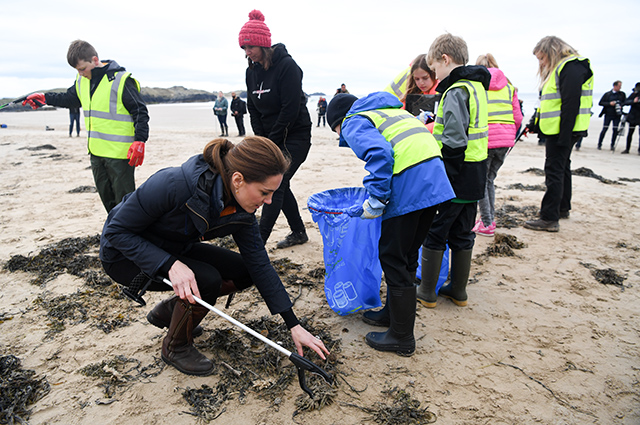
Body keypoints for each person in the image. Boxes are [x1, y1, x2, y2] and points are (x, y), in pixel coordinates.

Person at [99, 136, 330, 376]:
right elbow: (117, 231)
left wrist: (293, 324)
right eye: (265, 192)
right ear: (238, 180)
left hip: (175, 246)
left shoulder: (243, 212)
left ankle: (169, 314)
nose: (269, 201)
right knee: (206, 279)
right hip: (124, 255)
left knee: (244, 271)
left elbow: (260, 265)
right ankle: (175, 347)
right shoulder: (173, 184)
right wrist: (169, 265)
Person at [325, 91, 454, 357]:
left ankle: (401, 337)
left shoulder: (353, 120)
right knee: (406, 255)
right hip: (435, 182)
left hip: (410, 182)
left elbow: (381, 154)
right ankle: (393, 315)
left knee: (392, 256)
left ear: (339, 122)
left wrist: (377, 197)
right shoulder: (392, 111)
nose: (342, 138)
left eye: (338, 132)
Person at [23, 39, 149, 213]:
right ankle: (116, 235)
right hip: (96, 154)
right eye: (77, 70)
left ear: (95, 60)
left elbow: (140, 112)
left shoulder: (121, 80)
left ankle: (130, 236)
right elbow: (69, 99)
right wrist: (45, 98)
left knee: (126, 205)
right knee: (109, 203)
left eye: (82, 68)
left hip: (120, 154)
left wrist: (140, 140)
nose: (80, 73)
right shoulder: (82, 80)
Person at [417, 33, 491, 309]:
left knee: (436, 231)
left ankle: (426, 291)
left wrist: (443, 175)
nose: (435, 74)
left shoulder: (456, 90)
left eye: (435, 68)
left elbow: (455, 139)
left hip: (455, 174)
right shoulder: (477, 88)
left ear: (445, 59)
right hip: (476, 173)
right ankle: (458, 290)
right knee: (463, 232)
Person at [239, 9, 312, 248]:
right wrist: (262, 141)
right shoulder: (251, 71)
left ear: (263, 45)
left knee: (276, 182)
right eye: (244, 48)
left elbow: (289, 110)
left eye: (250, 47)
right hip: (270, 137)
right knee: (283, 182)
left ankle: (258, 244)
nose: (247, 53)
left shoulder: (288, 67)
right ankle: (299, 232)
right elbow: (253, 107)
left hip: (295, 135)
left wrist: (271, 141)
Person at [524, 36, 593, 232]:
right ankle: (562, 208)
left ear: (551, 51)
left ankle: (549, 218)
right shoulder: (564, 68)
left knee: (554, 169)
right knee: (562, 167)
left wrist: (563, 134)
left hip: (563, 130)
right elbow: (549, 102)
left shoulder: (570, 67)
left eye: (542, 58)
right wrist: (535, 123)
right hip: (558, 128)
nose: (541, 63)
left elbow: (571, 103)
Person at [472, 53, 523, 237]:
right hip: (505, 140)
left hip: (486, 139)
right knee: (489, 180)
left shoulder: (478, 85)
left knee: (482, 182)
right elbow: (518, 117)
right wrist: (510, 135)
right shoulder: (509, 87)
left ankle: (487, 222)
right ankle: (489, 219)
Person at [597, 81, 626, 150]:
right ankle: (599, 144)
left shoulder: (622, 94)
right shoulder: (608, 94)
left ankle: (612, 145)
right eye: (619, 86)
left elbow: (625, 102)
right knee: (605, 129)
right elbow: (601, 103)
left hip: (617, 115)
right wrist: (610, 103)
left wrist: (620, 105)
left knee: (615, 130)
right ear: (615, 86)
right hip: (608, 114)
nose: (620, 88)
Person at [622, 82, 640, 154]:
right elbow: (626, 102)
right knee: (630, 133)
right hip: (633, 116)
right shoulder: (633, 94)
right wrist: (633, 101)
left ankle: (639, 150)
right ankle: (627, 148)